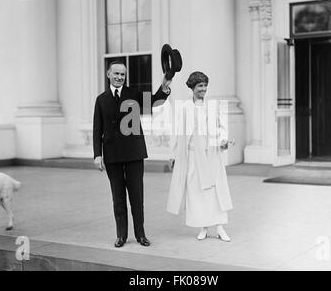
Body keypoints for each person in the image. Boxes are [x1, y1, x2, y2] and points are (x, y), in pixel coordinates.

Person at [93, 61, 171, 248]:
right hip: (112, 156)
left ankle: (141, 235)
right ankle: (121, 235)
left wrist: (165, 87)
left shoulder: (133, 94)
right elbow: (97, 129)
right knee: (118, 198)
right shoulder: (101, 99)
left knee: (137, 197)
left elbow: (154, 101)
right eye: (116, 73)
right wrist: (98, 154)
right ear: (108, 74)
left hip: (134, 154)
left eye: (123, 74)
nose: (120, 77)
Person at [167, 71, 233, 241]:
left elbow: (221, 128)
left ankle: (219, 228)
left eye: (205, 86)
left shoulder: (213, 107)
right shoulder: (184, 108)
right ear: (192, 87)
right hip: (193, 157)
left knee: (215, 191)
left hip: (211, 155)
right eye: (200, 86)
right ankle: (203, 227)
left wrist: (224, 140)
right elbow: (177, 133)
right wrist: (173, 155)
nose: (203, 89)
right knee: (196, 193)